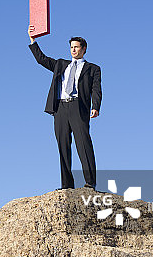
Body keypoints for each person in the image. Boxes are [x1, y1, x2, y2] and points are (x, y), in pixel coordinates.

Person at [28, 25, 101, 190]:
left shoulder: (93, 69)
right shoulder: (61, 64)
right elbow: (41, 59)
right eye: (71, 47)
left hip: (78, 107)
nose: (73, 50)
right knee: (63, 146)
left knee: (83, 144)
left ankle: (90, 182)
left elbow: (96, 89)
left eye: (76, 47)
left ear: (84, 49)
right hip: (60, 108)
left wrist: (95, 106)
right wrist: (33, 40)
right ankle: (67, 185)